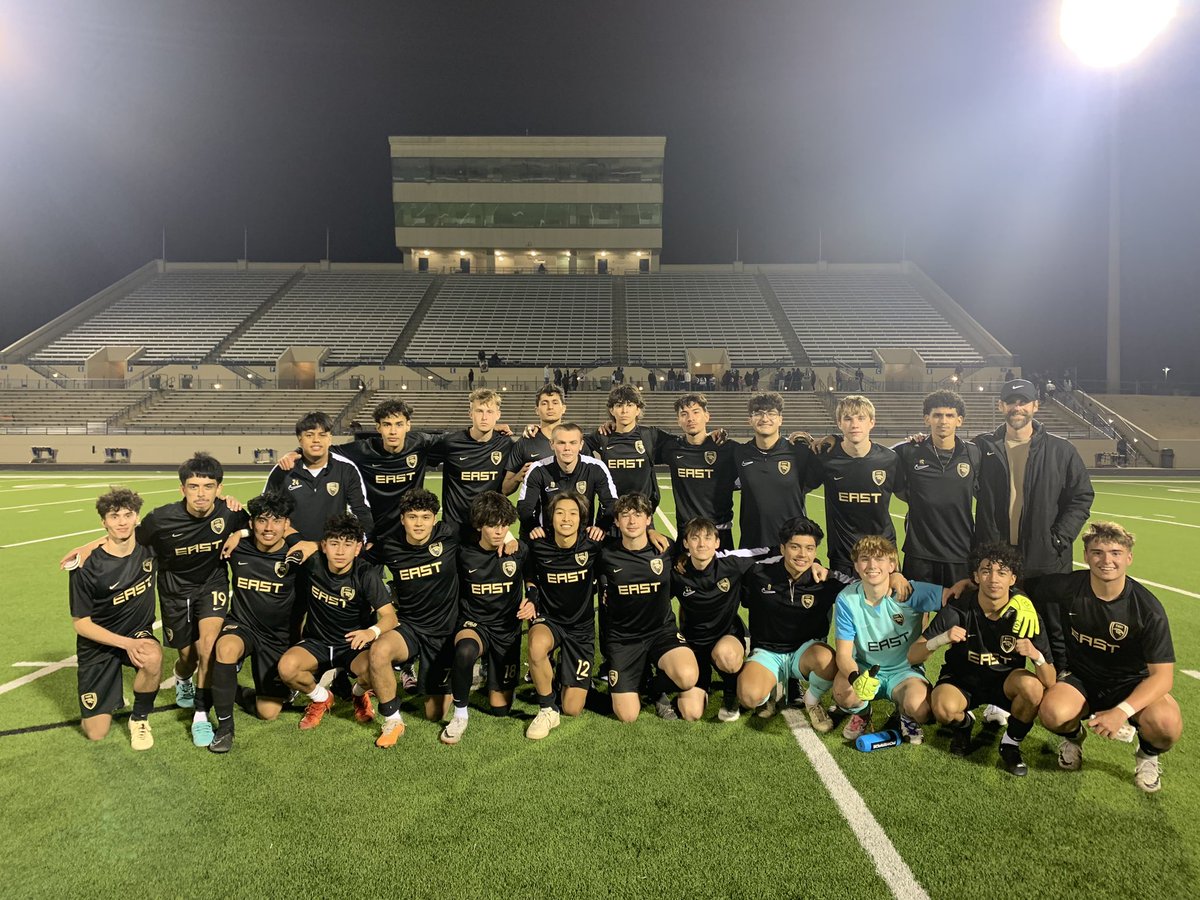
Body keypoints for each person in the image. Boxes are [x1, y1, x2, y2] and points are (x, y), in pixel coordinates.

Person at [61, 453, 248, 747]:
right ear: (182, 489)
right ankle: (182, 679)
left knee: (209, 647)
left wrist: (240, 531)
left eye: (208, 486)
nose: (201, 493)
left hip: (212, 584)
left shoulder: (229, 511)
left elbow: (262, 525)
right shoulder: (161, 519)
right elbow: (125, 537)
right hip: (174, 591)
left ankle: (200, 713)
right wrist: (89, 545)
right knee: (188, 657)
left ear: (219, 489)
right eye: (194, 486)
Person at [1034, 522, 1182, 793]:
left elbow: (1163, 678)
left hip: (1131, 684)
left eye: (1115, 552)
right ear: (1087, 555)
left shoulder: (1148, 610)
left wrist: (1122, 712)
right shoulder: (1069, 586)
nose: (1106, 560)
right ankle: (1073, 737)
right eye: (1098, 552)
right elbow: (1015, 585)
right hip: (1082, 679)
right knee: (1052, 712)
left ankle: (1147, 755)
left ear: (1129, 557)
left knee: (1167, 724)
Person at [908, 543, 1054, 776]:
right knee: (942, 707)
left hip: (1005, 681)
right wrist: (942, 638)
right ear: (975, 576)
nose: (993, 578)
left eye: (1002, 572)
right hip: (962, 680)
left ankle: (1011, 744)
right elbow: (913, 654)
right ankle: (964, 725)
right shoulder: (959, 609)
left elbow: (1050, 680)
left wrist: (1035, 655)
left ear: (1012, 578)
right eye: (986, 570)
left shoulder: (1027, 615)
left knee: (1033, 688)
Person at [208, 491, 314, 753]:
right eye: (262, 520)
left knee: (268, 712)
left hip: (277, 637)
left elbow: (333, 551)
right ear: (251, 523)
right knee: (226, 649)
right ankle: (224, 729)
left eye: (277, 520)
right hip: (242, 625)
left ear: (286, 524)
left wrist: (315, 544)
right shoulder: (237, 548)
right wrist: (237, 530)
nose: (269, 528)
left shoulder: (297, 554)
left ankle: (234, 691)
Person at [276, 514, 397, 730]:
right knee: (287, 668)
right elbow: (282, 530)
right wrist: (241, 532)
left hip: (352, 645)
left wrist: (371, 632)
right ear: (323, 546)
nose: (340, 552)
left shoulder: (365, 574)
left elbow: (390, 616)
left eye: (348, 545)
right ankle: (321, 698)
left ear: (358, 548)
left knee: (375, 673)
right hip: (317, 642)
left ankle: (358, 694)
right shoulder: (313, 562)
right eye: (334, 544)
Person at [69, 487, 162, 750]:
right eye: (114, 516)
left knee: (152, 656)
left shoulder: (149, 549)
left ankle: (140, 718)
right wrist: (125, 644)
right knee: (95, 732)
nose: (121, 522)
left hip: (137, 633)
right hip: (98, 643)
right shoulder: (86, 565)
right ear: (104, 522)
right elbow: (81, 623)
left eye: (127, 515)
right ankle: (110, 691)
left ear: (136, 517)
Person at [366, 489, 460, 747]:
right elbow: (357, 563)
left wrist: (509, 538)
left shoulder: (449, 535)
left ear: (435, 519)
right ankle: (392, 720)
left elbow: (486, 536)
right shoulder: (388, 544)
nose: (419, 523)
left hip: (444, 631)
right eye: (412, 516)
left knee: (434, 714)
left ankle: (458, 670)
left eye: (425, 517)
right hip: (409, 627)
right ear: (402, 519)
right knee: (378, 651)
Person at [973, 378, 1093, 578]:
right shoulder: (981, 446)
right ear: (1001, 406)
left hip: (1045, 559)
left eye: (1023, 402)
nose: (1017, 407)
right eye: (1011, 402)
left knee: (1046, 610)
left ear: (1035, 406)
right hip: (995, 558)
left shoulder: (1061, 450)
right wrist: (920, 444)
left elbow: (1081, 497)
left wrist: (1057, 539)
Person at [832, 536, 945, 745]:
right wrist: (856, 678)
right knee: (843, 693)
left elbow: (954, 598)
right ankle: (863, 712)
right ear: (856, 566)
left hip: (905, 671)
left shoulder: (910, 592)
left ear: (892, 565)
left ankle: (905, 714)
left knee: (922, 710)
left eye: (880, 559)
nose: (872, 565)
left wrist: (931, 635)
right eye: (865, 559)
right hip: (867, 668)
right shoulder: (847, 599)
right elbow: (844, 655)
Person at [738, 517, 850, 728]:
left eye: (809, 548)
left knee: (828, 660)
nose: (802, 555)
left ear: (816, 551)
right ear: (782, 548)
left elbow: (863, 585)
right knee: (749, 697)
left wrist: (893, 577)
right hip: (767, 652)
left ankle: (812, 699)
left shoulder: (825, 579)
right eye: (795, 547)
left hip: (804, 652)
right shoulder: (758, 573)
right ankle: (771, 689)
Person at [441, 493, 532, 745]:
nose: (499, 531)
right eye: (493, 525)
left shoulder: (519, 551)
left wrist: (531, 598)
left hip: (507, 629)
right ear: (479, 525)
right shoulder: (463, 554)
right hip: (475, 624)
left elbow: (532, 579)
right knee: (465, 650)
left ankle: (487, 676)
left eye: (504, 525)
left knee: (500, 709)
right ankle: (460, 714)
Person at [598, 493, 699, 722]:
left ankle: (655, 686)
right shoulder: (605, 554)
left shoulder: (665, 548)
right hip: (623, 639)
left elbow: (687, 564)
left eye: (638, 515)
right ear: (616, 522)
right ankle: (640, 676)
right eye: (625, 515)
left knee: (687, 677)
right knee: (627, 715)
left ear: (648, 519)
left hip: (660, 632)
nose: (632, 521)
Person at [672, 518, 772, 722]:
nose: (702, 544)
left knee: (725, 655)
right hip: (694, 645)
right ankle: (701, 681)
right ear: (685, 543)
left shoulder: (731, 564)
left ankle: (730, 692)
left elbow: (771, 552)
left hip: (726, 638)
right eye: (695, 538)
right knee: (691, 713)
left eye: (708, 538)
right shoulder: (677, 573)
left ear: (717, 543)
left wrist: (814, 564)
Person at [523, 491, 604, 738]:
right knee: (536, 645)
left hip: (581, 627)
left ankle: (561, 677)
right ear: (551, 518)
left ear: (582, 519)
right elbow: (530, 578)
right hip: (551, 621)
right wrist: (531, 599)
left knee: (572, 708)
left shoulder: (593, 545)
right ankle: (547, 709)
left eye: (572, 513)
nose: (566, 518)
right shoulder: (537, 545)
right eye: (559, 513)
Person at [892, 390, 980, 586]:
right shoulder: (908, 451)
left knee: (956, 613)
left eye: (950, 415)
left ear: (959, 420)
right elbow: (872, 454)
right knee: (915, 613)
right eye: (937, 415)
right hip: (920, 552)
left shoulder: (974, 454)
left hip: (960, 551)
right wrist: (835, 440)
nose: (943, 421)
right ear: (927, 419)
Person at [809, 395, 898, 576]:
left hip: (883, 556)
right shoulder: (826, 459)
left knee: (887, 605)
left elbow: (911, 495)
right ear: (839, 423)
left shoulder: (890, 459)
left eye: (861, 418)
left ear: (872, 422)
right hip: (844, 558)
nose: (854, 424)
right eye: (848, 418)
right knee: (846, 605)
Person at [265, 411, 374, 542]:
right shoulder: (283, 470)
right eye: (309, 435)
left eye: (322, 435)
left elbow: (360, 510)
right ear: (300, 439)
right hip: (292, 546)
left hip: (332, 549)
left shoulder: (346, 469)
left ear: (330, 439)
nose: (316, 440)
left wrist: (369, 541)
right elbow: (267, 510)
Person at [731, 391, 815, 550]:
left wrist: (827, 439)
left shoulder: (800, 453)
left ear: (780, 419)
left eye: (771, 413)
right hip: (752, 544)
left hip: (791, 545)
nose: (764, 418)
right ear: (750, 420)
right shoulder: (739, 453)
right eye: (758, 414)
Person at [427, 389, 513, 540]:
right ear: (470, 414)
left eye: (490, 412)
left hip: (488, 529)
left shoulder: (506, 444)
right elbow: (416, 453)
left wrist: (532, 429)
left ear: (498, 415)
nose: (484, 417)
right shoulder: (451, 443)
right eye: (479, 411)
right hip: (454, 530)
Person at [661, 393, 737, 548]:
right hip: (687, 533)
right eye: (684, 414)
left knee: (724, 572)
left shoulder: (727, 448)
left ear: (707, 416)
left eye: (696, 412)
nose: (690, 418)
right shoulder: (671, 448)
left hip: (720, 532)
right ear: (678, 420)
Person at [517, 422, 617, 538]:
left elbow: (611, 503)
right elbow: (525, 506)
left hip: (584, 539)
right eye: (561, 443)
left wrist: (602, 526)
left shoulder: (596, 467)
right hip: (548, 539)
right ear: (552, 444)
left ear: (581, 445)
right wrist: (533, 526)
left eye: (573, 443)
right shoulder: (538, 468)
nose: (567, 448)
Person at [586, 385, 673, 512]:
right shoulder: (602, 436)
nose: (624, 411)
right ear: (611, 410)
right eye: (619, 405)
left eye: (630, 405)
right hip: (610, 515)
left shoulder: (650, 435)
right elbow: (573, 441)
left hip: (642, 515)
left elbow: (683, 443)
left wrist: (709, 436)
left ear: (638, 409)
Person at [502, 384, 566, 496]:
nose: (550, 407)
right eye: (544, 403)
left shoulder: (575, 441)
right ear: (536, 410)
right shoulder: (525, 442)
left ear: (564, 408)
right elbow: (505, 489)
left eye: (555, 402)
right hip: (535, 511)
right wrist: (518, 477)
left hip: (568, 511)